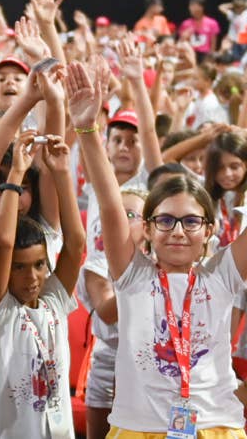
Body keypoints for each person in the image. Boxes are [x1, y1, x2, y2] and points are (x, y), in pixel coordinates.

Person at [70, 60, 247, 435]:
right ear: (148, 229)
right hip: (139, 428)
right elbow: (108, 202)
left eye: (191, 221)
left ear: (209, 230)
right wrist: (87, 129)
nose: (178, 232)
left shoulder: (223, 273)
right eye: (165, 220)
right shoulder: (133, 275)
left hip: (215, 427)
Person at [0, 134, 85, 438]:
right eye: (19, 268)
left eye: (39, 265)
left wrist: (63, 172)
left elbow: (76, 243)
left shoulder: (52, 300)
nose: (32, 278)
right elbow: (2, 243)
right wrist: (16, 173)